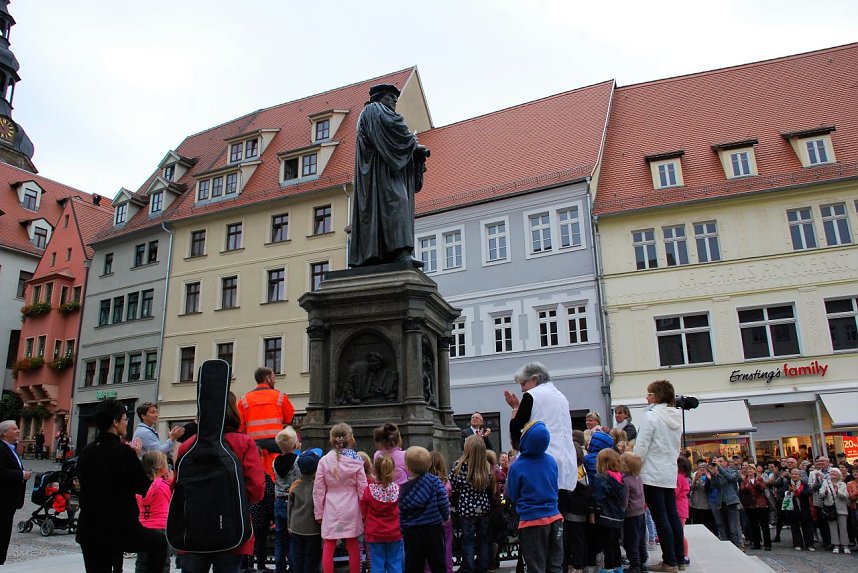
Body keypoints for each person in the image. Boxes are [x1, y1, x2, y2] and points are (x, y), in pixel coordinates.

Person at [175, 391, 266, 573]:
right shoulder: (243, 443)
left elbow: (176, 487)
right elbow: (256, 488)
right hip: (231, 530)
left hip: (193, 529)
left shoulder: (188, 446)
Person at [75, 400, 169, 573]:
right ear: (115, 422)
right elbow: (142, 486)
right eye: (125, 419)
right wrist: (136, 458)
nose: (127, 423)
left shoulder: (87, 451)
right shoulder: (123, 452)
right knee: (159, 543)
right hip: (118, 526)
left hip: (90, 527)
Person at [348, 83, 430, 268]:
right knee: (398, 203)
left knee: (399, 205)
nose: (394, 101)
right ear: (378, 97)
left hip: (389, 171)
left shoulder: (377, 112)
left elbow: (397, 136)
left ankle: (391, 253)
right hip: (378, 175)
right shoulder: (373, 110)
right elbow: (393, 129)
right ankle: (400, 253)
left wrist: (415, 154)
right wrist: (413, 144)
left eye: (395, 98)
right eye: (390, 97)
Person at [633, 380, 684, 573]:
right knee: (672, 516)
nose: (647, 397)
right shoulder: (676, 416)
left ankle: (669, 561)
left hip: (652, 472)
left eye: (649, 394)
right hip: (668, 471)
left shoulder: (651, 416)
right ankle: (679, 558)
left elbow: (642, 445)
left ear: (657, 396)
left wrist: (634, 466)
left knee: (660, 517)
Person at [506, 420, 563, 573]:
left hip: (532, 521)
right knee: (555, 564)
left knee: (536, 566)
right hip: (555, 517)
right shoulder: (551, 460)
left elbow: (512, 494)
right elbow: (554, 485)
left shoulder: (518, 466)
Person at [314, 423, 367, 573]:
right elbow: (362, 488)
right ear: (351, 439)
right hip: (352, 507)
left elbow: (318, 490)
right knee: (352, 543)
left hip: (331, 507)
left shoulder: (324, 460)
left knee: (329, 544)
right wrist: (364, 511)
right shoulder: (356, 460)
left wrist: (318, 512)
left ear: (331, 440)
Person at [398, 446, 449, 573]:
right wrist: (445, 516)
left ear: (407, 467)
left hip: (412, 531)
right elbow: (443, 500)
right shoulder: (434, 481)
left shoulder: (403, 489)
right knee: (438, 563)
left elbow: (401, 511)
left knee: (414, 565)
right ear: (429, 464)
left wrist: (403, 527)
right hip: (433, 528)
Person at [238, 367, 296, 477]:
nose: (275, 380)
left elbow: (240, 427)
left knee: (256, 479)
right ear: (267, 378)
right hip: (275, 447)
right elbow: (289, 418)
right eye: (274, 377)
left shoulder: (244, 400)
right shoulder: (279, 396)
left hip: (254, 450)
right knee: (275, 479)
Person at [452, 434, 496, 573]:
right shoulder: (487, 466)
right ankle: (482, 565)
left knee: (468, 540)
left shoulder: (459, 466)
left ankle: (468, 567)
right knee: (483, 538)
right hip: (483, 506)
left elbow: (454, 484)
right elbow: (489, 484)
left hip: (466, 507)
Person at [360, 454, 403, 573]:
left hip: (375, 533)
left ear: (375, 470)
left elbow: (363, 511)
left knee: (377, 564)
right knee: (395, 562)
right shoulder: (397, 489)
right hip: (394, 532)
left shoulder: (369, 490)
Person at [589, 448, 626, 573]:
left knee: (607, 544)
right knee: (615, 543)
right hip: (618, 516)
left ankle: (608, 568)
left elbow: (598, 497)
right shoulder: (620, 477)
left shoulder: (602, 477)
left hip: (605, 517)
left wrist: (593, 512)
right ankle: (618, 567)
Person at [135, 450, 173, 573]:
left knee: (142, 562)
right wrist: (172, 481)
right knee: (163, 564)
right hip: (161, 527)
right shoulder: (165, 486)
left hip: (143, 526)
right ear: (161, 467)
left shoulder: (139, 485)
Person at [0, 420, 32, 564]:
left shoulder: (12, 448)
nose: (18, 431)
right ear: (5, 432)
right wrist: (21, 475)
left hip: (10, 499)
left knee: (5, 530)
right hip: (3, 498)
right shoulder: (1, 449)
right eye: (15, 429)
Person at [288, 450, 323, 573]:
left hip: (296, 526)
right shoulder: (318, 485)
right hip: (313, 528)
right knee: (311, 556)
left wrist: (289, 525)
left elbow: (290, 507)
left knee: (298, 554)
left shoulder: (295, 485)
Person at [273, 427, 302, 573]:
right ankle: (293, 567)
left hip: (278, 502)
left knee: (279, 537)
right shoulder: (298, 461)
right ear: (295, 444)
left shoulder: (274, 462)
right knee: (292, 538)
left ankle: (279, 567)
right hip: (292, 502)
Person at [427, 451, 454, 573]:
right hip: (446, 517)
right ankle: (448, 568)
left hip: (431, 518)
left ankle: (428, 569)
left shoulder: (426, 482)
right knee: (447, 545)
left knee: (429, 546)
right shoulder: (446, 482)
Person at [620, 452, 647, 573]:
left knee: (631, 540)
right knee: (640, 539)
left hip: (630, 515)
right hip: (641, 512)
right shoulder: (639, 478)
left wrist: (621, 511)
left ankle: (635, 564)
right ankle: (642, 561)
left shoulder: (626, 481)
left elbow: (624, 500)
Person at [708, 455, 742, 549]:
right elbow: (715, 485)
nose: (719, 463)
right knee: (724, 527)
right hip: (721, 503)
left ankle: (737, 547)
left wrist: (719, 467)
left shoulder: (732, 470)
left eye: (721, 461)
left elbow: (730, 478)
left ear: (726, 462)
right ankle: (729, 547)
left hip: (731, 502)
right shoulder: (718, 473)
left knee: (733, 529)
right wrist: (713, 475)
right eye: (718, 461)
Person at [740, 464, 771, 551]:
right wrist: (747, 482)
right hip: (750, 505)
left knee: (764, 524)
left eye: (751, 469)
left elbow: (762, 488)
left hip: (761, 504)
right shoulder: (744, 480)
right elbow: (743, 489)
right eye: (748, 469)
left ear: (755, 470)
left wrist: (755, 482)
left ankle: (767, 544)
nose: (749, 471)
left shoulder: (760, 479)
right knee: (753, 524)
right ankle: (756, 542)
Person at [783, 468, 815, 551]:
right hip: (792, 508)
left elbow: (807, 493)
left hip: (803, 507)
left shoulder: (804, 484)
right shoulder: (787, 484)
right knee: (795, 527)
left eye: (796, 474)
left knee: (807, 526)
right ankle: (797, 543)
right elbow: (783, 494)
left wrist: (797, 491)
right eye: (792, 474)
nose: (794, 476)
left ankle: (809, 544)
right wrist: (789, 492)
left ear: (799, 476)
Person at [820, 467, 851, 553]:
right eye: (831, 473)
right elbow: (821, 494)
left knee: (843, 528)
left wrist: (838, 492)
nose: (833, 474)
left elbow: (846, 496)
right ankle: (836, 545)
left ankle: (845, 545)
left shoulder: (842, 484)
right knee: (832, 528)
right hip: (830, 508)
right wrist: (825, 493)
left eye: (835, 473)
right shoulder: (825, 483)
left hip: (841, 508)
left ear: (838, 475)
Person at [675, 456, 691, 567]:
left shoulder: (678, 478)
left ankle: (684, 555)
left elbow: (674, 492)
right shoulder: (683, 477)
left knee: (679, 533)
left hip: (678, 507)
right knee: (679, 532)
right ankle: (683, 554)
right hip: (682, 507)